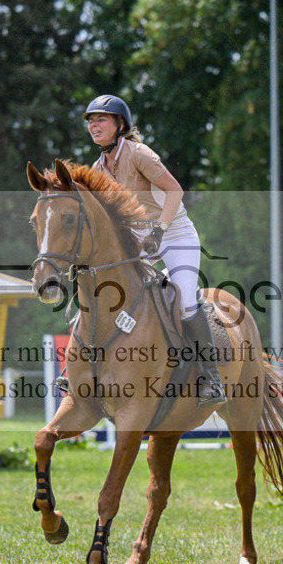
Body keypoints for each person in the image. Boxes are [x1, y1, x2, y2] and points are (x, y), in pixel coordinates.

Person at [83, 94, 225, 406]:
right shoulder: (98, 168)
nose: (94, 124)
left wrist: (159, 230)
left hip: (174, 233)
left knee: (186, 301)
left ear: (120, 125)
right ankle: (84, 370)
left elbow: (176, 191)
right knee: (105, 294)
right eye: (91, 120)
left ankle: (210, 377)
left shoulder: (139, 154)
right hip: (139, 240)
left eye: (101, 119)